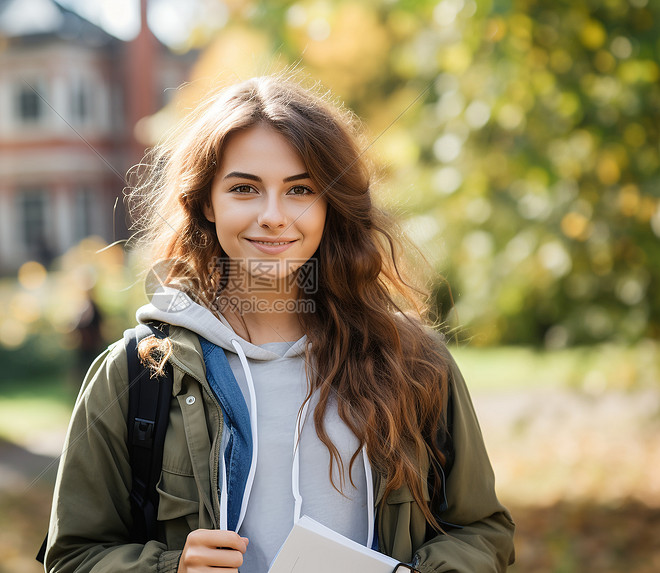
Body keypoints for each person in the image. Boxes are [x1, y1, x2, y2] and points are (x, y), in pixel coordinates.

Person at [44, 75, 515, 573]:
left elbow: (481, 530)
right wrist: (168, 569)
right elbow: (74, 556)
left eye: (300, 190)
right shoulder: (137, 373)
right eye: (245, 188)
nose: (273, 216)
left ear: (331, 204)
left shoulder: (413, 361)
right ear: (207, 202)